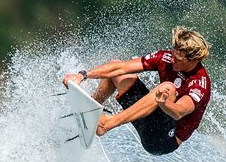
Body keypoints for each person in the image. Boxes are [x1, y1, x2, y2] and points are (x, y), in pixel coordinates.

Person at [62, 26, 211, 155]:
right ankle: (90, 110)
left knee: (167, 88)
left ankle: (106, 124)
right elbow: (121, 68)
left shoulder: (200, 84)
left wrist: (164, 103)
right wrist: (83, 75)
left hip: (163, 140)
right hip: (148, 115)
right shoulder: (166, 58)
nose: (173, 61)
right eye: (173, 55)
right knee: (116, 69)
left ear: (193, 60)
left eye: (178, 60)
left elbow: (179, 112)